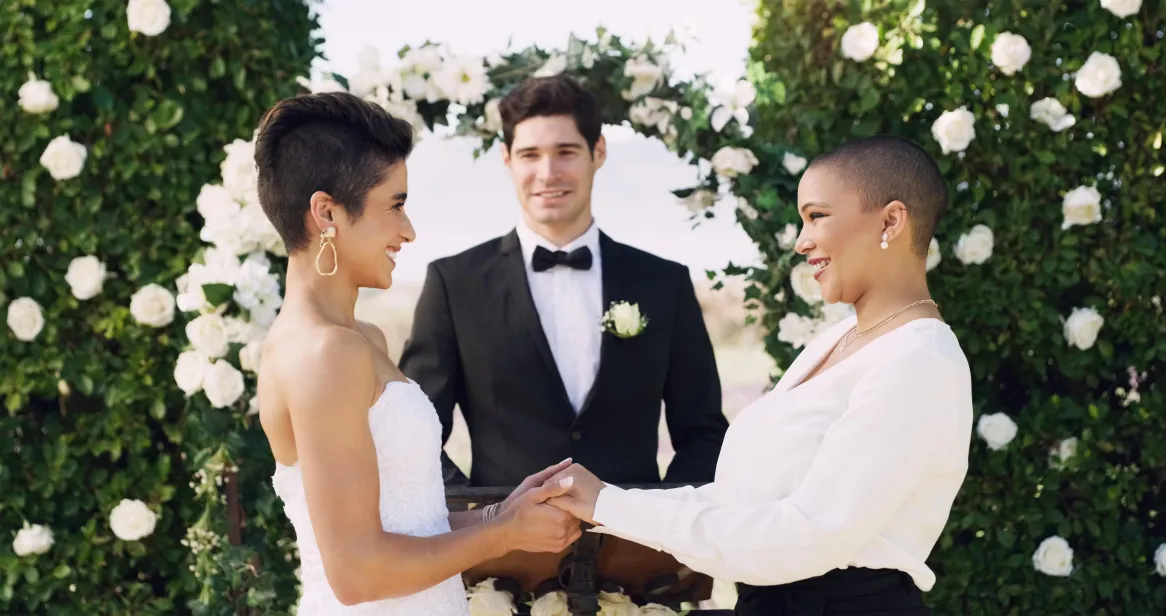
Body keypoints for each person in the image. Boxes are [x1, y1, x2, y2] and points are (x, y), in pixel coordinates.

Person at [544, 135, 974, 615]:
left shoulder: (919, 360)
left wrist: (609, 506)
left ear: (891, 220)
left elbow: (806, 535)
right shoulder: (834, 342)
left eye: (817, 216)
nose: (801, 240)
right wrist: (605, 502)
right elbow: (740, 504)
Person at [252, 92, 582, 615]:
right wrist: (502, 537)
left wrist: (503, 514)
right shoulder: (324, 354)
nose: (408, 231)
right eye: (396, 205)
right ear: (326, 213)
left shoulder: (361, 340)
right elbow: (357, 573)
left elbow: (410, 524)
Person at [398, 75, 728, 489]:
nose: (548, 172)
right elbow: (413, 439)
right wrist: (484, 518)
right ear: (507, 159)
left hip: (637, 546)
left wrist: (662, 520)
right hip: (503, 549)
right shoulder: (453, 283)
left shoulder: (664, 283)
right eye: (530, 155)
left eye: (566, 152)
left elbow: (704, 434)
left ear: (599, 152)